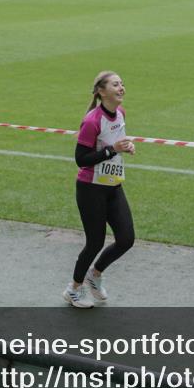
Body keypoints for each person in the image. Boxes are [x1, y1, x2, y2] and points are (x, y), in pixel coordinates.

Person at [65, 71, 136, 308]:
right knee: (94, 242)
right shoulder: (92, 121)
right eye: (116, 84)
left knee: (126, 239)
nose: (121, 88)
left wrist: (127, 146)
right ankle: (73, 289)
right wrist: (112, 150)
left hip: (113, 186)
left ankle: (94, 276)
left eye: (122, 84)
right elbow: (81, 159)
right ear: (102, 91)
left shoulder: (121, 113)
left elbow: (116, 141)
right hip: (90, 188)